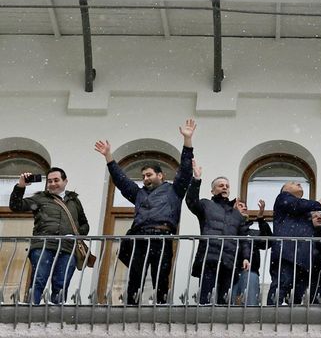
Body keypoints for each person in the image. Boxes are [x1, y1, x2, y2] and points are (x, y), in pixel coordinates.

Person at [94, 119, 196, 305]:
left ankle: (161, 306)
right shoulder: (139, 194)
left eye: (149, 175)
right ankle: (131, 306)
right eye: (143, 176)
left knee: (161, 276)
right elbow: (121, 180)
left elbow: (186, 170)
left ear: (160, 175)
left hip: (162, 237)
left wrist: (187, 141)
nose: (145, 178)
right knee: (135, 275)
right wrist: (109, 157)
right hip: (139, 238)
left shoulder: (174, 190)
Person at [9, 167, 89, 304]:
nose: (52, 184)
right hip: (43, 245)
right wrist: (21, 185)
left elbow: (85, 225)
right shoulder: (40, 198)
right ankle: (31, 309)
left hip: (67, 248)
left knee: (61, 283)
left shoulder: (74, 201)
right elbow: (15, 206)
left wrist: (75, 235)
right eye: (50, 181)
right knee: (39, 279)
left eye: (56, 180)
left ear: (65, 181)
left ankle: (57, 314)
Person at [186, 162, 251, 305]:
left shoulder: (236, 215)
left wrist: (246, 257)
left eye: (227, 186)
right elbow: (191, 201)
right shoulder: (206, 205)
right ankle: (203, 324)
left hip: (229, 260)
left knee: (224, 300)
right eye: (221, 185)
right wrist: (196, 180)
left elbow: (243, 238)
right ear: (213, 191)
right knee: (206, 297)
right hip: (209, 258)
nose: (225, 188)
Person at [268, 182, 321, 305]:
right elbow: (296, 204)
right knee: (282, 284)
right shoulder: (283, 198)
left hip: (303, 258)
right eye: (293, 183)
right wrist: (319, 204)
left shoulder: (302, 211)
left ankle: (291, 317)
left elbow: (313, 232)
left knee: (297, 293)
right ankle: (272, 314)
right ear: (285, 189)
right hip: (287, 254)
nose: (298, 183)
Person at [231, 198, 272, 306]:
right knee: (227, 305)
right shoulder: (227, 230)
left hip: (250, 272)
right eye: (240, 206)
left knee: (250, 306)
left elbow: (267, 241)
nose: (244, 208)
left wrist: (260, 219)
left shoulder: (251, 233)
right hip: (228, 272)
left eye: (246, 207)